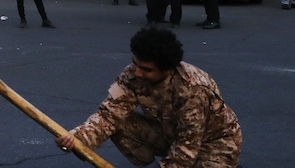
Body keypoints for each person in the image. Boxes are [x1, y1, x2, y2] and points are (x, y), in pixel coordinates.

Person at [55, 27, 242, 166]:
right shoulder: (132, 74)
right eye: (135, 63)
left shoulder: (192, 89)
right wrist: (77, 139)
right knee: (119, 120)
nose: (137, 73)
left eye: (147, 69)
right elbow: (108, 114)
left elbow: (187, 145)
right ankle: (146, 160)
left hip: (213, 144)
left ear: (166, 69)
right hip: (170, 133)